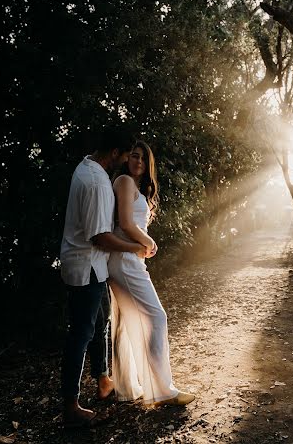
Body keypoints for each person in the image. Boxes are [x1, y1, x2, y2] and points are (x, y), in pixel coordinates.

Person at [60, 126, 147, 428]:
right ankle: (70, 406)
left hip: (88, 265)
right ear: (114, 153)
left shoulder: (85, 166)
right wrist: (136, 247)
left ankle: (104, 380)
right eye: (125, 155)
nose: (126, 161)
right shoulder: (97, 183)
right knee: (81, 334)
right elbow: (100, 237)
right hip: (87, 267)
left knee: (101, 323)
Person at [108, 140, 195, 406]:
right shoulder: (123, 181)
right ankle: (163, 391)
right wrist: (149, 242)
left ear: (148, 165)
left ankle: (127, 388)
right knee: (156, 318)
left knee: (126, 323)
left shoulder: (135, 187)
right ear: (126, 159)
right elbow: (125, 223)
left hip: (128, 259)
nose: (138, 162)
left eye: (143, 159)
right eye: (134, 156)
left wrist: (142, 244)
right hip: (124, 260)